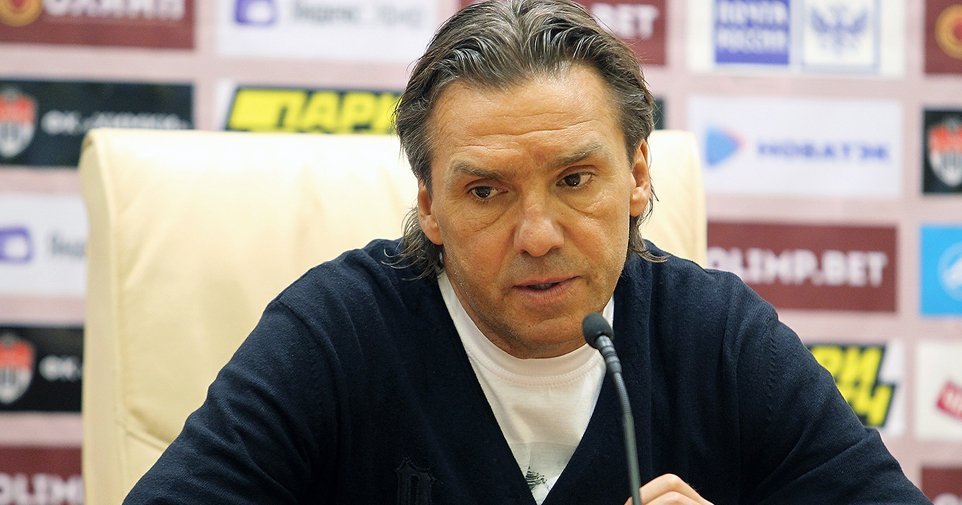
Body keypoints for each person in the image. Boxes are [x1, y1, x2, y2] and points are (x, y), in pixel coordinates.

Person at [124, 1, 931, 504]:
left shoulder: (718, 338)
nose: (538, 234)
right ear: (430, 204)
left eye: (575, 179)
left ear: (637, 176)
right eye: (487, 191)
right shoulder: (338, 331)